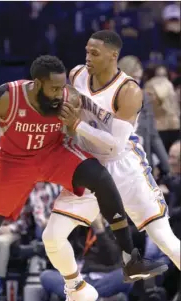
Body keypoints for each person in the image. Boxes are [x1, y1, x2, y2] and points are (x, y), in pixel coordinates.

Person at [0, 55, 162, 301]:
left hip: (53, 154)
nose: (58, 93)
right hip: (12, 162)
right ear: (37, 83)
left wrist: (75, 122)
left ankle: (130, 259)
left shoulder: (68, 97)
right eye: (53, 88)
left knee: (101, 178)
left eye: (62, 86)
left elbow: (96, 120)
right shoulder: (7, 96)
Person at [43, 30, 180, 298]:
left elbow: (115, 146)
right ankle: (78, 291)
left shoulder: (128, 91)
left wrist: (76, 125)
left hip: (124, 167)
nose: (88, 57)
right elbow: (68, 110)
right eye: (86, 51)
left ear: (113, 55)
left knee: (165, 240)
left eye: (95, 53)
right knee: (52, 236)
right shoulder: (77, 75)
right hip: (90, 166)